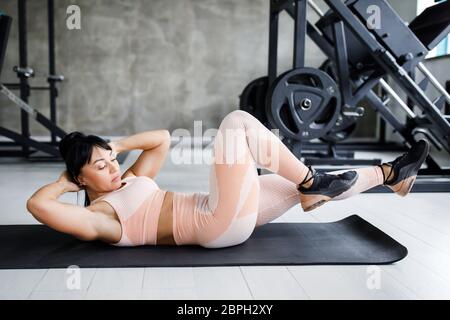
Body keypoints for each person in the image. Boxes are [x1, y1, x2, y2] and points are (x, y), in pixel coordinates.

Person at [26, 110, 430, 248]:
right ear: (82, 180)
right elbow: (38, 205)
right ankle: (311, 183)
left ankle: (390, 175)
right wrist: (66, 182)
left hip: (221, 214)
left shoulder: (129, 179)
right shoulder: (101, 218)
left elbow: (162, 140)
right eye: (100, 167)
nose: (112, 167)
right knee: (236, 123)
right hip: (213, 224)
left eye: (111, 160)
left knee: (290, 184)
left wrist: (112, 145)